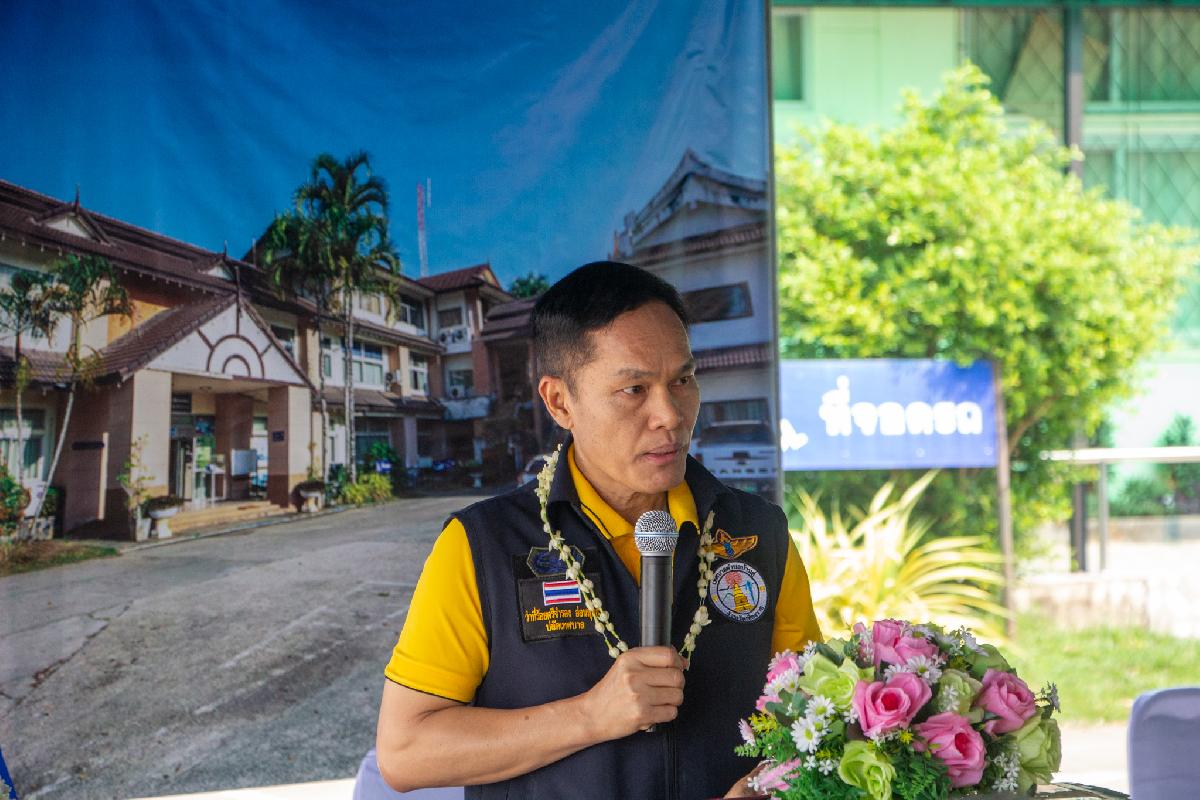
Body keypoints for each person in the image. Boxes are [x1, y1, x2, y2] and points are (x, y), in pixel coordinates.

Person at [375, 261, 822, 799]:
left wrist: (764, 785)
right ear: (560, 401)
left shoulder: (758, 534)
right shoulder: (483, 545)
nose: (670, 415)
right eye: (634, 389)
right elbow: (405, 752)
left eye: (682, 380)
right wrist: (590, 715)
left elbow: (812, 716)